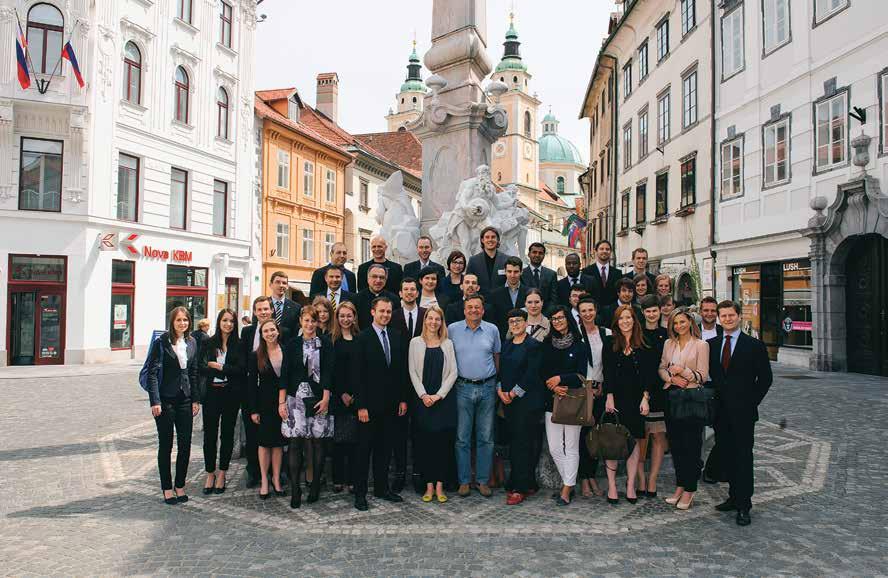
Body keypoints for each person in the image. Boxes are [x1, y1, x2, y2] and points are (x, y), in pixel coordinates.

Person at [708, 300, 773, 526]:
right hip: (720, 414)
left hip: (743, 414)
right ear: (718, 318)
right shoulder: (712, 345)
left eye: (731, 315)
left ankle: (744, 505)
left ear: (739, 316)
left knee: (743, 458)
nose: (727, 319)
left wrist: (750, 403)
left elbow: (765, 379)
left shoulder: (754, 346)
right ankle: (733, 497)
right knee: (727, 455)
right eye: (723, 316)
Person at [352, 296, 410, 511]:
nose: (385, 315)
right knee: (364, 450)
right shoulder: (363, 338)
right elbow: (357, 375)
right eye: (382, 311)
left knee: (385, 450)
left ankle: (381, 488)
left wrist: (403, 398)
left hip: (391, 405)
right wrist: (361, 406)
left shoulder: (396, 336)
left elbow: (401, 372)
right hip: (368, 407)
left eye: (388, 312)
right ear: (372, 312)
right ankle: (360, 493)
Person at [602, 305, 657, 505]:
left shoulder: (644, 343)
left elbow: (649, 375)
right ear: (616, 322)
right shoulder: (609, 343)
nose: (625, 321)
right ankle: (612, 486)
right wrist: (608, 396)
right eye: (621, 318)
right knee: (612, 444)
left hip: (636, 400)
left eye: (629, 317)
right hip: (615, 399)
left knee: (634, 443)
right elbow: (607, 372)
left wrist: (645, 397)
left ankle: (631, 485)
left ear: (634, 320)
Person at [281, 305, 335, 508]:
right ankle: (296, 488)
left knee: (318, 442)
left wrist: (327, 397)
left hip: (319, 397)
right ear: (301, 322)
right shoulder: (292, 344)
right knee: (295, 443)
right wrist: (281, 402)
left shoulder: (326, 344)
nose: (310, 324)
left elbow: (330, 371)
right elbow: (284, 375)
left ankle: (315, 486)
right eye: (306, 320)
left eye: (313, 321)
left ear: (318, 322)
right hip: (295, 398)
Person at [448, 294, 501, 498]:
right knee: (462, 437)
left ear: (483, 310)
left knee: (486, 437)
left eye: (477, 307)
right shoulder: (453, 329)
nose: (473, 310)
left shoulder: (492, 330)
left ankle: (482, 480)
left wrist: (492, 380)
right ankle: (463, 480)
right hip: (462, 387)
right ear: (464, 310)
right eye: (469, 307)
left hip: (487, 387)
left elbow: (497, 357)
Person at [147, 306, 200, 505]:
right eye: (179, 320)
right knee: (166, 445)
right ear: (172, 322)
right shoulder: (161, 342)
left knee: (185, 445)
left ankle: (180, 485)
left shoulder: (192, 342)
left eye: (185, 320)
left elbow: (194, 373)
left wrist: (196, 399)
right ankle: (167, 488)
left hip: (185, 399)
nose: (182, 323)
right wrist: (155, 401)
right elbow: (152, 373)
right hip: (165, 400)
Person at [659, 308, 710, 511]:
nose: (679, 326)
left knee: (691, 447)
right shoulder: (668, 343)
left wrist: (684, 372)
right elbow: (661, 367)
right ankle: (680, 486)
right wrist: (671, 378)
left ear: (690, 322)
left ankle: (690, 489)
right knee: (676, 446)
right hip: (672, 397)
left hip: (691, 400)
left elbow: (703, 376)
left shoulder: (701, 345)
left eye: (682, 322)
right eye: (675, 323)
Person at [408, 305, 458, 503]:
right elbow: (412, 371)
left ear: (441, 322)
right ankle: (428, 485)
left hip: (442, 401)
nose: (433, 322)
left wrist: (438, 395)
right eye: (430, 318)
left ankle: (440, 485)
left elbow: (453, 372)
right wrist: (423, 395)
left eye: (437, 319)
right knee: (424, 444)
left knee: (442, 444)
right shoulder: (415, 343)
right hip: (422, 401)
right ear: (425, 320)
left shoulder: (448, 344)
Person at [541, 305, 588, 506]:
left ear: (568, 319)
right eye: (554, 319)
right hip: (552, 400)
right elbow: (541, 372)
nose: (557, 321)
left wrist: (561, 379)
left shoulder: (579, 344)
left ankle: (567, 488)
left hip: (573, 400)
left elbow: (582, 375)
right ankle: (569, 481)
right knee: (554, 447)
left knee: (571, 446)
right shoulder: (546, 343)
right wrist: (553, 387)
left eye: (561, 317)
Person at [498, 309, 545, 505]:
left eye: (518, 321)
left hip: (527, 402)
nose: (515, 324)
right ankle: (525, 481)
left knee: (523, 444)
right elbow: (501, 371)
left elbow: (532, 374)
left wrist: (513, 393)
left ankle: (520, 487)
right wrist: (501, 391)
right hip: (509, 403)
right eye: (511, 321)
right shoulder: (507, 345)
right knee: (515, 443)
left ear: (526, 323)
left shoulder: (533, 345)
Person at [197, 308, 243, 495]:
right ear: (219, 322)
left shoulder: (238, 344)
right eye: (225, 320)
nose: (228, 324)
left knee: (227, 435)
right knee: (209, 435)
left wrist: (219, 366)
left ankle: (222, 472)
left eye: (232, 321)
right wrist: (222, 369)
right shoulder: (208, 343)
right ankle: (210, 472)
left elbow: (240, 370)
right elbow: (200, 367)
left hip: (230, 395)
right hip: (211, 394)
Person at [388, 277, 425, 492]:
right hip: (399, 381)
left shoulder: (425, 315)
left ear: (417, 293)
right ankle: (400, 473)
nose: (410, 293)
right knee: (399, 432)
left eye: (413, 289)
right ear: (400, 293)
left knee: (420, 431)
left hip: (422, 381)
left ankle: (419, 473)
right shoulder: (392, 316)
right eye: (406, 290)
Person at [247, 319, 287, 499]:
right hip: (264, 404)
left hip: (283, 404)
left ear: (277, 331)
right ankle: (264, 480)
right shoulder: (256, 355)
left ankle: (276, 479)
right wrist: (253, 409)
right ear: (262, 335)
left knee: (278, 443)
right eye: (266, 331)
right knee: (264, 444)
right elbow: (251, 385)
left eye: (272, 330)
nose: (270, 333)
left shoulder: (286, 351)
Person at [576, 297, 610, 499]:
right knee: (581, 437)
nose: (587, 313)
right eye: (583, 310)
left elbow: (609, 364)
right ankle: (584, 478)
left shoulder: (606, 333)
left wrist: (603, 385)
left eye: (590, 309)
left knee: (594, 437)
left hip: (601, 390)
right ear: (578, 313)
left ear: (596, 311)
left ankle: (592, 475)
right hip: (582, 391)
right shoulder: (576, 335)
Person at [240, 296, 274, 488]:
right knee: (252, 433)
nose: (263, 312)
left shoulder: (279, 332)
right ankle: (253, 471)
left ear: (271, 310)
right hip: (251, 390)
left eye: (266, 309)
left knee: (272, 433)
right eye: (259, 309)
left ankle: (274, 472)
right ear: (254, 312)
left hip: (271, 392)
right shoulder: (247, 332)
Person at [637, 294, 668, 497]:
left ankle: (653, 478)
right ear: (643, 313)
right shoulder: (637, 333)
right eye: (647, 311)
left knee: (658, 436)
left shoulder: (667, 334)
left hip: (660, 391)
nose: (651, 314)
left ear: (660, 311)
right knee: (641, 437)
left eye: (654, 310)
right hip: (638, 390)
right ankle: (640, 478)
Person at [330, 301, 360, 494]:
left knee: (355, 442)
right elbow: (330, 371)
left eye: (349, 315)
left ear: (354, 317)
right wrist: (342, 393)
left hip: (357, 396)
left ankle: (352, 479)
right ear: (337, 317)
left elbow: (364, 369)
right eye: (342, 316)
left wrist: (355, 394)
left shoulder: (361, 338)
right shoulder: (331, 340)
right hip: (338, 396)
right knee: (338, 442)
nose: (346, 319)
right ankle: (338, 478)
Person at [488, 256, 527, 338]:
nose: (512, 275)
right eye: (509, 271)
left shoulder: (528, 293)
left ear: (521, 272)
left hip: (524, 338)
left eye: (516, 272)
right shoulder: (495, 294)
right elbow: (492, 319)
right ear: (505, 272)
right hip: (502, 339)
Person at [355, 263, 401, 330]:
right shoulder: (356, 299)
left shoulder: (394, 299)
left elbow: (395, 325)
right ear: (368, 278)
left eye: (382, 277)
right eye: (374, 276)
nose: (378, 280)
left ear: (386, 280)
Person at [466, 226, 508, 294]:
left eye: (493, 237)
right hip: (480, 301)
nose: (490, 240)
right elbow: (468, 282)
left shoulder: (507, 260)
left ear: (498, 240)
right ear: (482, 240)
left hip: (502, 301)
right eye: (487, 237)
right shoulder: (473, 261)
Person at [582, 240, 623, 306]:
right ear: (596, 251)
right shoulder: (587, 271)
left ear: (610, 252)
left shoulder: (618, 273)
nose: (604, 251)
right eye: (601, 249)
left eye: (607, 249)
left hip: (612, 312)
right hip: (593, 312)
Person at [521, 243, 558, 312]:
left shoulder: (551, 274)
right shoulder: (521, 274)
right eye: (534, 252)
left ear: (544, 255)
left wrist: (546, 314)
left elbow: (554, 299)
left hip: (546, 315)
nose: (537, 255)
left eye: (540, 253)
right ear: (529, 254)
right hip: (526, 315)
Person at [267, 271, 302, 343]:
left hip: (287, 349)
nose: (281, 285)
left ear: (287, 286)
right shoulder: (263, 305)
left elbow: (295, 333)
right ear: (270, 285)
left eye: (284, 283)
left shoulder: (296, 307)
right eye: (277, 282)